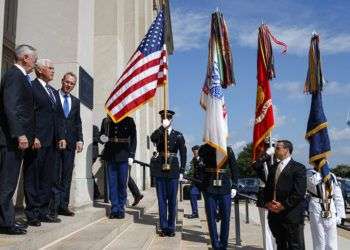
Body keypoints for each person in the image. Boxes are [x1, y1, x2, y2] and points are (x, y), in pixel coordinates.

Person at [0, 44, 37, 235]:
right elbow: (11, 107)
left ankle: (6, 219)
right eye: (34, 60)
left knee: (9, 183)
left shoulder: (22, 77)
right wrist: (20, 134)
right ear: (25, 58)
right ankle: (5, 223)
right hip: (10, 140)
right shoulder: (15, 75)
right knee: (7, 183)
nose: (35, 64)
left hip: (14, 139)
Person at [24, 59, 62, 226]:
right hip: (37, 140)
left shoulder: (53, 91)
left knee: (47, 178)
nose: (53, 71)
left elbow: (58, 117)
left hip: (52, 142)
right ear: (39, 71)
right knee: (33, 176)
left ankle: (43, 211)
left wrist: (61, 137)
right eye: (50, 68)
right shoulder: (31, 87)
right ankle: (32, 213)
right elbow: (28, 114)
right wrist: (33, 136)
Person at [264, 140, 306, 250]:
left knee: (295, 245)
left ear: (286, 150)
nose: (275, 150)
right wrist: (268, 203)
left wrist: (282, 205)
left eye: (278, 148)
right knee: (280, 244)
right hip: (274, 215)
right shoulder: (273, 167)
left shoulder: (299, 168)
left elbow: (299, 193)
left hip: (291, 215)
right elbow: (268, 188)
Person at [150, 110, 186, 237]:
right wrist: (161, 128)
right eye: (163, 119)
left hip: (173, 169)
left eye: (168, 119)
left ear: (171, 120)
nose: (165, 120)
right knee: (161, 200)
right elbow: (152, 138)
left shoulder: (178, 135)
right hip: (160, 168)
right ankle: (164, 226)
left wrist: (182, 170)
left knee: (172, 200)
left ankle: (171, 227)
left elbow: (183, 153)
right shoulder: (159, 133)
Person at [52, 72, 83, 217]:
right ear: (62, 80)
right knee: (54, 174)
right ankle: (53, 206)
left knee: (66, 175)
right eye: (67, 82)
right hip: (55, 142)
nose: (68, 85)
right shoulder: (53, 95)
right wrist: (59, 136)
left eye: (72, 83)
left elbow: (78, 122)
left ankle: (63, 206)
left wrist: (80, 140)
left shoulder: (76, 102)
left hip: (70, 144)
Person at [198, 144, 238, 250]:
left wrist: (234, 185)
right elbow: (202, 158)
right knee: (211, 217)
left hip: (224, 186)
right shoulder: (205, 148)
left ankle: (223, 244)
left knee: (226, 217)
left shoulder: (228, 150)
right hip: (210, 185)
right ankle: (215, 244)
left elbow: (234, 168)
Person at [100, 115, 136, 219]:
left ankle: (121, 209)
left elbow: (133, 138)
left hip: (124, 154)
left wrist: (132, 155)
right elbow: (101, 136)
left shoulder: (129, 120)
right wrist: (103, 138)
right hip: (110, 154)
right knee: (112, 183)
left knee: (122, 183)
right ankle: (114, 208)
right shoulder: (106, 121)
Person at [307, 168, 345, 250]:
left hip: (330, 207)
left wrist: (340, 215)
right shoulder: (310, 174)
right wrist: (321, 173)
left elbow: (338, 196)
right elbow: (312, 183)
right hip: (316, 208)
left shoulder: (332, 176)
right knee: (319, 241)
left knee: (332, 240)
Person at [251, 139, 277, 250]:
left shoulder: (278, 161)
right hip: (264, 195)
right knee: (266, 226)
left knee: (277, 226)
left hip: (277, 195)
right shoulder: (261, 160)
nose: (267, 148)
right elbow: (255, 166)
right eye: (266, 146)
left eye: (271, 147)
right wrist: (266, 155)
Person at [186, 145, 203, 219]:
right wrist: (191, 179)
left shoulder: (204, 158)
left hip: (204, 181)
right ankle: (195, 212)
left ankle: (216, 212)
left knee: (209, 198)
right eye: (193, 152)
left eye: (195, 151)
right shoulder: (193, 159)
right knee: (192, 193)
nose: (194, 153)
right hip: (195, 181)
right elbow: (194, 170)